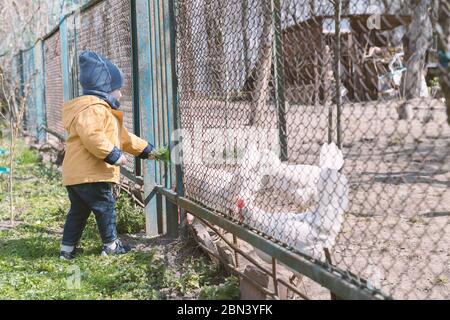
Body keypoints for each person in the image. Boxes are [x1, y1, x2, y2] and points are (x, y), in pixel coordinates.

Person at [59, 51, 154, 260]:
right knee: (105, 208)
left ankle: (67, 250)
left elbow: (124, 138)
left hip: (76, 175)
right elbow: (92, 137)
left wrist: (147, 150)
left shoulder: (101, 111)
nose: (120, 95)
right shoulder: (94, 109)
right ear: (104, 89)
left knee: (78, 212)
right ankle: (111, 246)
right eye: (117, 90)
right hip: (93, 173)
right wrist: (113, 155)